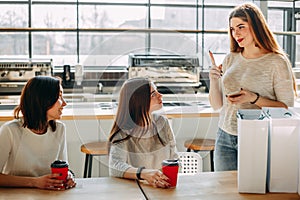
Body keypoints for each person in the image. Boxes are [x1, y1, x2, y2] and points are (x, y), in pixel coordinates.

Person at [208, 3, 296, 171]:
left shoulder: (276, 62)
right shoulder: (230, 58)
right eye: (232, 29)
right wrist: (213, 80)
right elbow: (217, 105)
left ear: (256, 26)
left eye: (241, 27)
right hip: (224, 136)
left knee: (251, 194)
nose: (236, 34)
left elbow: (287, 108)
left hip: (257, 137)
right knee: (224, 192)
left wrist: (253, 98)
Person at [0, 76, 76, 190]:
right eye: (59, 97)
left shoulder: (60, 129)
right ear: (43, 100)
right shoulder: (10, 131)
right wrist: (34, 182)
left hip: (49, 195)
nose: (64, 103)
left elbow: (63, 166)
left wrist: (69, 175)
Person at [109, 77, 177, 188]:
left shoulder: (162, 122)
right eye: (153, 94)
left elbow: (174, 157)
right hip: (135, 190)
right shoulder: (123, 132)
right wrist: (144, 174)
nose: (161, 95)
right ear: (139, 101)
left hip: (162, 189)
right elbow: (115, 166)